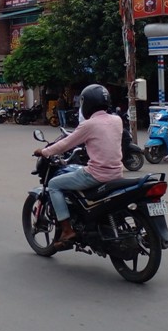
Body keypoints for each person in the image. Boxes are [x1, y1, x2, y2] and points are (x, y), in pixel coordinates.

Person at [33, 84, 122, 250]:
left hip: (97, 175)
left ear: (86, 103)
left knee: (54, 184)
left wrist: (44, 152)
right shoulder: (117, 120)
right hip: (117, 174)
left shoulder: (89, 125)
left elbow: (66, 144)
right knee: (77, 170)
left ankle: (67, 230)